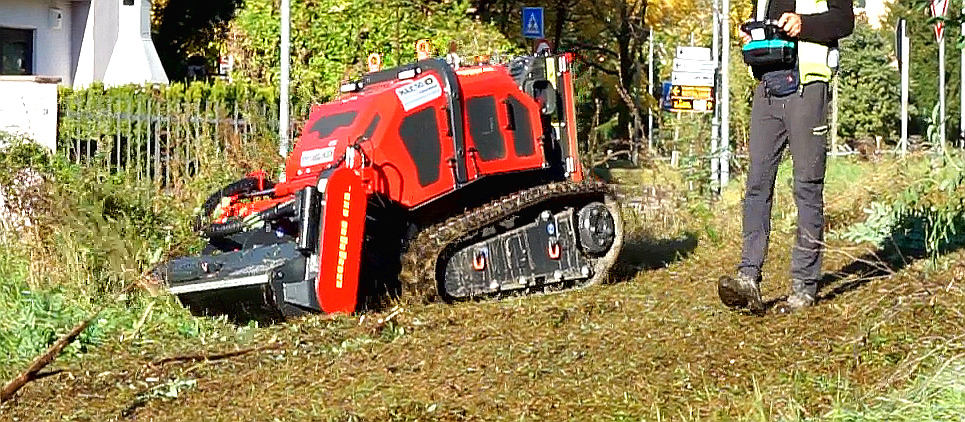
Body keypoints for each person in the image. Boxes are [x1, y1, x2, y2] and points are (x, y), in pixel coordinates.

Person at [717, 0, 853, 315]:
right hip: (768, 86)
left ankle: (804, 288)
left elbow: (844, 21)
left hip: (807, 86)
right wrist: (751, 30)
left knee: (806, 187)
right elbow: (761, 19)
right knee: (756, 185)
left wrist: (804, 24)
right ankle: (748, 276)